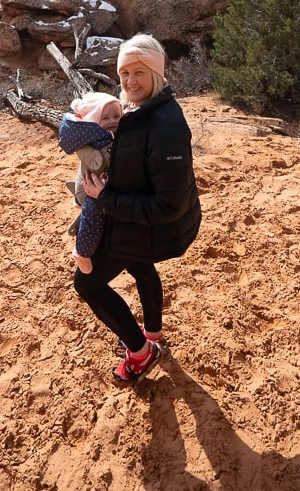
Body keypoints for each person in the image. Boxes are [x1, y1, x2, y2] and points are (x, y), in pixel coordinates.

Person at [74, 33, 202, 385]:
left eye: (139, 72)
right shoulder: (138, 108)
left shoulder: (166, 126)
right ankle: (154, 335)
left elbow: (168, 205)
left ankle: (141, 352)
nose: (130, 81)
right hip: (137, 221)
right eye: (124, 73)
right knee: (141, 268)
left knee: (87, 284)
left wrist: (105, 199)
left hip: (149, 227)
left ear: (156, 74)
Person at [58, 92, 123, 274]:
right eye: (105, 117)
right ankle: (82, 252)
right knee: (93, 214)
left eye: (116, 116)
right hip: (96, 189)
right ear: (94, 120)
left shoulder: (96, 135)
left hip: (94, 182)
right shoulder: (100, 137)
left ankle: (79, 197)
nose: (112, 121)